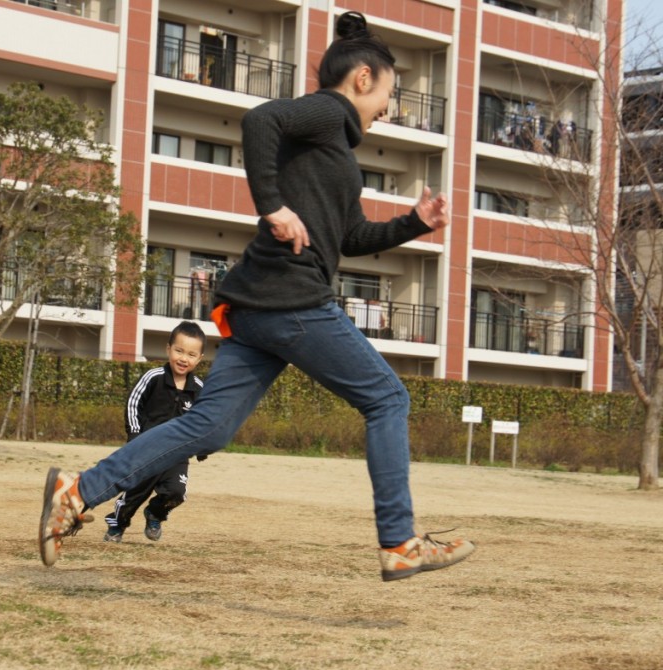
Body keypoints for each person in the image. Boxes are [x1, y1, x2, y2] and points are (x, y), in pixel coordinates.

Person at [40, 11, 476, 582]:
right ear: (363, 79)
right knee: (388, 400)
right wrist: (271, 206)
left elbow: (350, 236)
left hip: (262, 308)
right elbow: (259, 119)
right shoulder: (327, 111)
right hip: (291, 300)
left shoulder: (337, 150)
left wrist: (414, 222)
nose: (387, 109)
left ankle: (79, 491)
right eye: (389, 94)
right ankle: (398, 542)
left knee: (210, 429)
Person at [104, 321, 206, 543]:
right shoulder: (154, 377)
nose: (183, 358)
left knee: (176, 493)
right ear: (168, 349)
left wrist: (203, 446)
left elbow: (206, 420)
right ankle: (116, 525)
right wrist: (135, 436)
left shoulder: (199, 389)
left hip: (177, 455)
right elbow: (133, 403)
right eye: (179, 351)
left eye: (191, 354)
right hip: (146, 451)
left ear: (199, 358)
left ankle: (155, 514)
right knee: (134, 494)